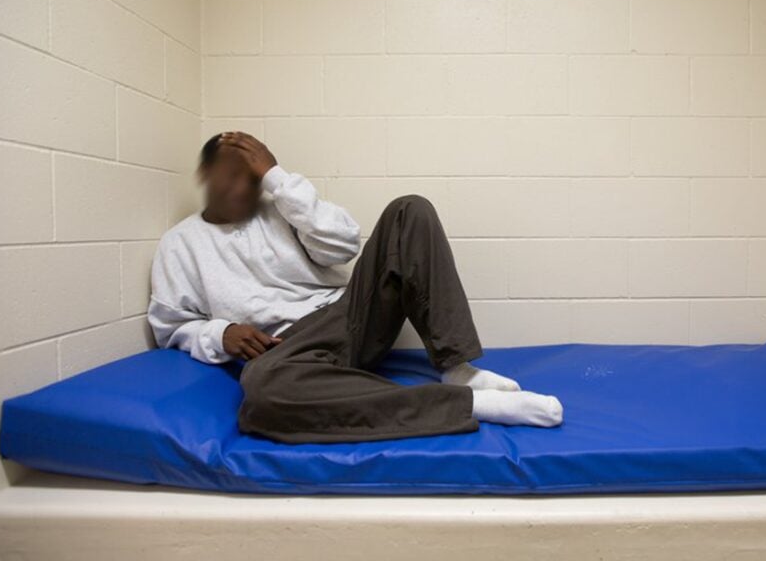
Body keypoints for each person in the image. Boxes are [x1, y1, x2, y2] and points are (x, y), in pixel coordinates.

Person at [147, 132, 563, 444]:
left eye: (251, 178)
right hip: (285, 351)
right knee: (262, 392)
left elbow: (343, 245)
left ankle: (458, 370)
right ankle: (474, 405)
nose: (242, 187)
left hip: (346, 317)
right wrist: (220, 333)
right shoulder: (180, 244)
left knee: (409, 210)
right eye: (230, 176)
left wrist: (278, 179)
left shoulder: (282, 210)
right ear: (205, 175)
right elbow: (171, 326)